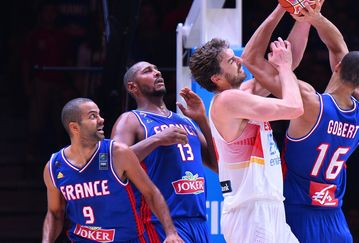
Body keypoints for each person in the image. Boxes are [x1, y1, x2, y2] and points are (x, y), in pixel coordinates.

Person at [243, 2, 359, 242]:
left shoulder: (309, 102)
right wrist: (315, 17)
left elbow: (250, 59)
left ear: (338, 66)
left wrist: (299, 13)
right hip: (336, 221)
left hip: (298, 215)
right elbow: (339, 48)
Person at [188, 4, 307, 241]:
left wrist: (305, 16)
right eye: (231, 61)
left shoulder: (243, 94)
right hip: (250, 214)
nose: (240, 61)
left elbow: (287, 67)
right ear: (217, 78)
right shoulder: (227, 101)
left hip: (269, 207)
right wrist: (282, 66)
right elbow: (294, 107)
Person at [42, 98, 183, 243]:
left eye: (99, 114)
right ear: (74, 127)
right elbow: (55, 213)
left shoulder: (118, 153)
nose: (101, 120)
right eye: (92, 116)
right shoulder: (54, 167)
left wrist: (171, 233)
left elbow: (151, 193)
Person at [111, 62, 218, 242]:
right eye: (148, 71)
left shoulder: (185, 121)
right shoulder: (130, 119)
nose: (157, 72)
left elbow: (217, 165)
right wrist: (157, 139)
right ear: (132, 86)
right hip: (160, 222)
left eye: (156, 69)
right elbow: (114, 165)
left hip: (198, 221)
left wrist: (202, 120)